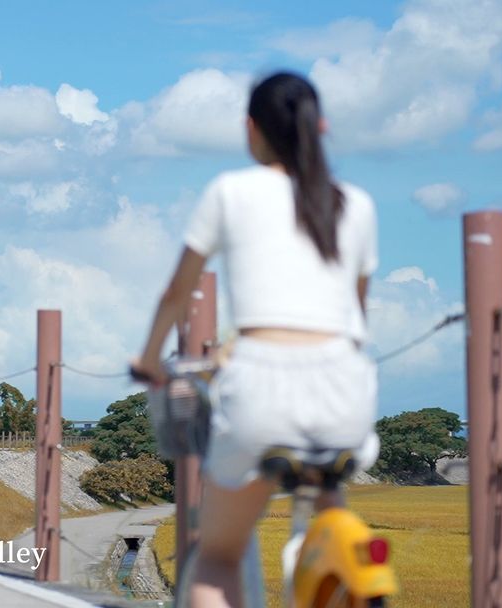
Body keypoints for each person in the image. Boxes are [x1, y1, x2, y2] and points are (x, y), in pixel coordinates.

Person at [132, 71, 380, 608]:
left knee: (217, 556)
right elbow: (354, 312)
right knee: (330, 505)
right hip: (343, 392)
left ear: (251, 129)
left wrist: (150, 358)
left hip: (262, 391)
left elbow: (178, 289)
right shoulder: (355, 204)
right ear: (322, 127)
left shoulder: (231, 192)